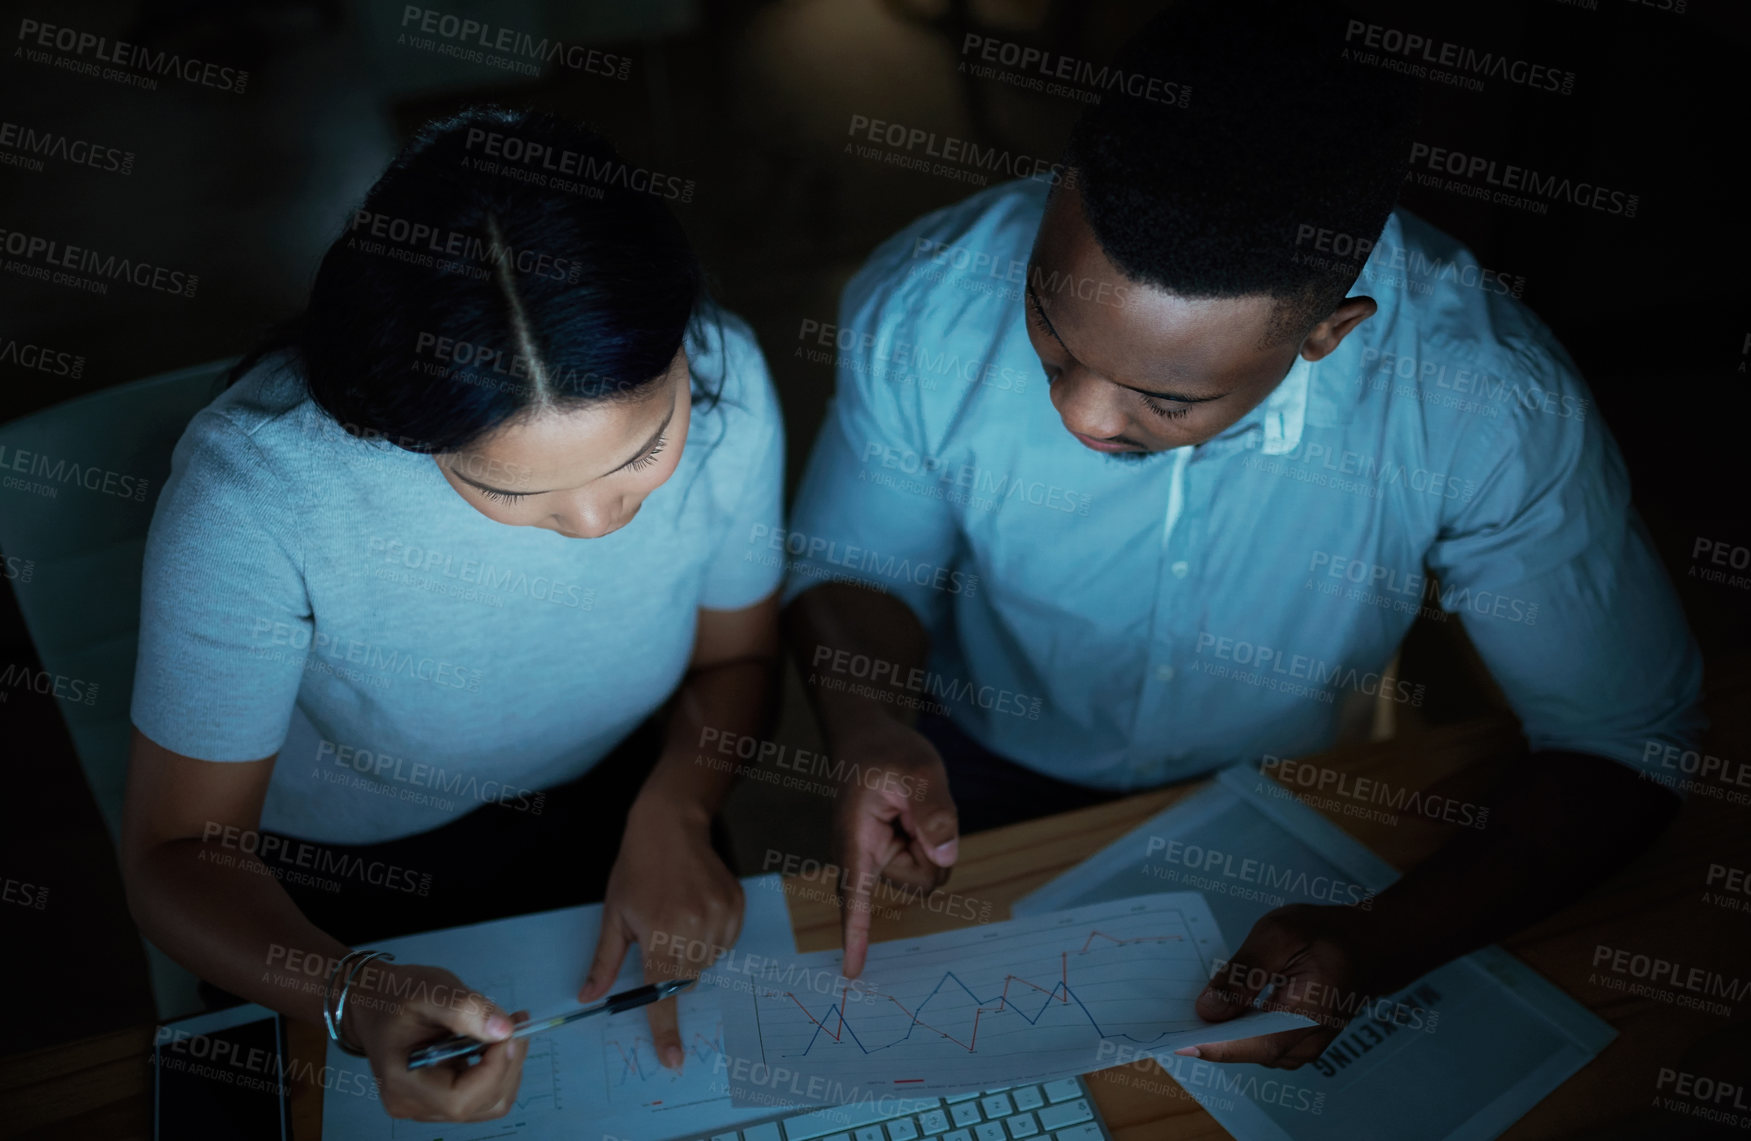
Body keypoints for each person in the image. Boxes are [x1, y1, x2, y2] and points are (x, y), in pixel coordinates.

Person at [781, 0, 1703, 1069]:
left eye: (1164, 400)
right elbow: (852, 566)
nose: (1078, 416)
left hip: (1293, 795)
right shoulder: (925, 299)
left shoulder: (1485, 406)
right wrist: (864, 725)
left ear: (1325, 333)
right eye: (1047, 320)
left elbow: (1622, 738)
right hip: (979, 761)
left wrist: (1381, 938)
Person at [120, 107, 784, 1123]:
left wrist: (681, 804)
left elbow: (735, 660)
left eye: (646, 448)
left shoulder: (727, 368)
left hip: (621, 805)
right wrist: (352, 992)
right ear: (400, 429)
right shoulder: (260, 492)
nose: (599, 521)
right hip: (334, 888)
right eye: (513, 493)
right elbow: (176, 856)